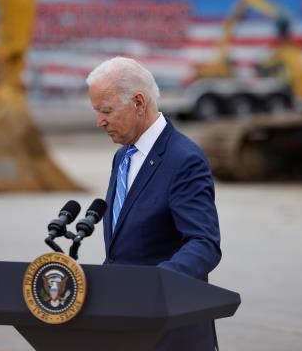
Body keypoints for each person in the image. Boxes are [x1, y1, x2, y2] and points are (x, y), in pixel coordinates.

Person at [87, 56, 222, 351]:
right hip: (125, 325)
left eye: (106, 110)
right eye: (97, 111)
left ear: (138, 102)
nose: (100, 121)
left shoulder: (183, 159)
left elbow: (204, 243)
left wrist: (156, 283)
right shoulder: (123, 156)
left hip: (169, 330)